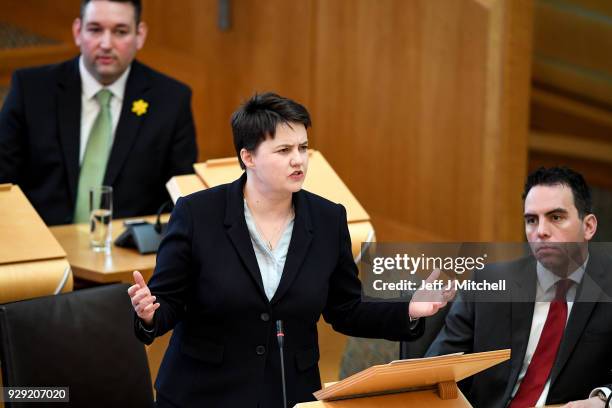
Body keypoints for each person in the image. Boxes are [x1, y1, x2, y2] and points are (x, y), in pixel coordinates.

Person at [129, 92, 451, 407]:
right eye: (284, 150)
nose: (298, 159)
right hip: (203, 394)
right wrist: (149, 315)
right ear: (248, 157)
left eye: (303, 147)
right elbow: (167, 302)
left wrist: (408, 309)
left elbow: (346, 310)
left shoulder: (328, 219)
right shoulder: (197, 214)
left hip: (287, 393)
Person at [426, 167, 612, 407]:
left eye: (556, 217)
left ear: (588, 226)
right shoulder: (487, 283)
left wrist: (603, 399)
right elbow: (434, 373)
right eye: (531, 220)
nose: (541, 232)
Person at [0, 0, 197, 225]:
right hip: (40, 243)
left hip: (128, 250)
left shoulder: (171, 100)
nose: (106, 44)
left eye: (120, 32)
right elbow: (3, 179)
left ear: (140, 35)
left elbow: (180, 196)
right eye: (95, 29)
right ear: (77, 31)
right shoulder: (31, 90)